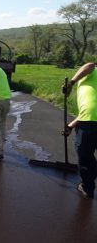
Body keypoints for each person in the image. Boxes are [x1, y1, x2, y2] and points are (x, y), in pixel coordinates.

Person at [63, 62, 97, 199]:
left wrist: (71, 82)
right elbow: (88, 111)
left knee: (84, 154)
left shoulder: (93, 71)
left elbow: (90, 65)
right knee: (87, 155)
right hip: (89, 119)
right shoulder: (90, 84)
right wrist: (71, 126)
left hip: (90, 123)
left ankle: (87, 186)